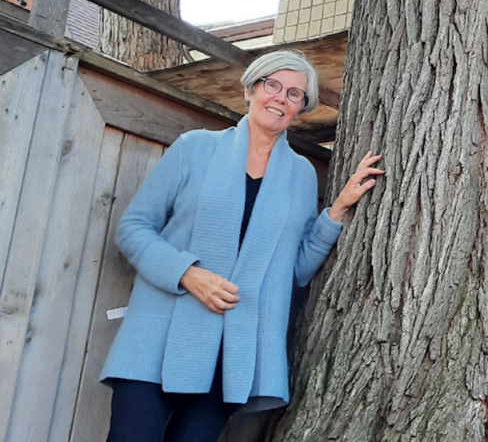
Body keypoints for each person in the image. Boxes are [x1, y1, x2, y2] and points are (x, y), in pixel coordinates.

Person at [101, 49, 384, 442]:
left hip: (230, 354)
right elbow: (133, 228)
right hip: (158, 344)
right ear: (251, 89)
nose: (281, 99)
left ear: (301, 108)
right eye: (273, 86)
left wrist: (336, 210)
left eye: (294, 94)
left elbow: (297, 270)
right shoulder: (194, 147)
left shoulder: (301, 176)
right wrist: (186, 272)